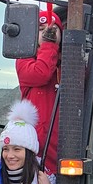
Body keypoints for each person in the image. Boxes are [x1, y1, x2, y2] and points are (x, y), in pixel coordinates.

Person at [16, 10, 62, 175]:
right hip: (37, 149)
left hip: (64, 147)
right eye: (42, 30)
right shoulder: (24, 61)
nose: (47, 33)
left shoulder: (68, 64)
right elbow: (41, 73)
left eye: (53, 30)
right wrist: (49, 45)